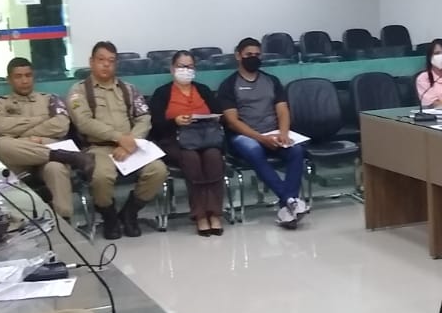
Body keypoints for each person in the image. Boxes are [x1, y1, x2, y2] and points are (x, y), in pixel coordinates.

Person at [68, 40, 167, 239]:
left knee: (158, 171)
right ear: (91, 62)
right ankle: (109, 217)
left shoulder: (129, 89)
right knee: (101, 177)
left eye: (111, 61)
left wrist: (131, 141)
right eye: (101, 60)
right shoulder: (78, 92)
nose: (106, 64)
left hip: (132, 145)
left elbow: (144, 117)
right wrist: (120, 138)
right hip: (98, 148)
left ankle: (130, 213)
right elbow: (84, 123)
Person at [218, 38, 307, 228]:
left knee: (296, 151)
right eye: (249, 55)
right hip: (245, 136)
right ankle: (290, 199)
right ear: (238, 56)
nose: (253, 58)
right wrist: (261, 138)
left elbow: (282, 110)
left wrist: (283, 133)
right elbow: (232, 121)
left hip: (274, 133)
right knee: (254, 150)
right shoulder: (229, 85)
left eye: (257, 55)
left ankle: (287, 206)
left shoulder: (271, 81)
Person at [0, 57, 88, 221]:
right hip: (18, 161)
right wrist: (41, 121)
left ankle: (64, 221)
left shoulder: (51, 99)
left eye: (28, 75)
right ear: (9, 80)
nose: (24, 81)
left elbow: (61, 125)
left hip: (44, 157)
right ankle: (64, 156)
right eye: (18, 76)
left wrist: (22, 136)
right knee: (0, 144)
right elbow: (1, 127)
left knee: (56, 167)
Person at [151, 51, 226, 237]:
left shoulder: (203, 90)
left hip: (205, 137)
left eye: (190, 67)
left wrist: (214, 118)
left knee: (213, 156)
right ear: (172, 69)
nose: (186, 70)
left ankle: (214, 213)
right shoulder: (162, 93)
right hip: (174, 139)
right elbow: (155, 125)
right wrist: (175, 121)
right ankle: (200, 215)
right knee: (191, 158)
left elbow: (220, 113)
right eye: (181, 66)